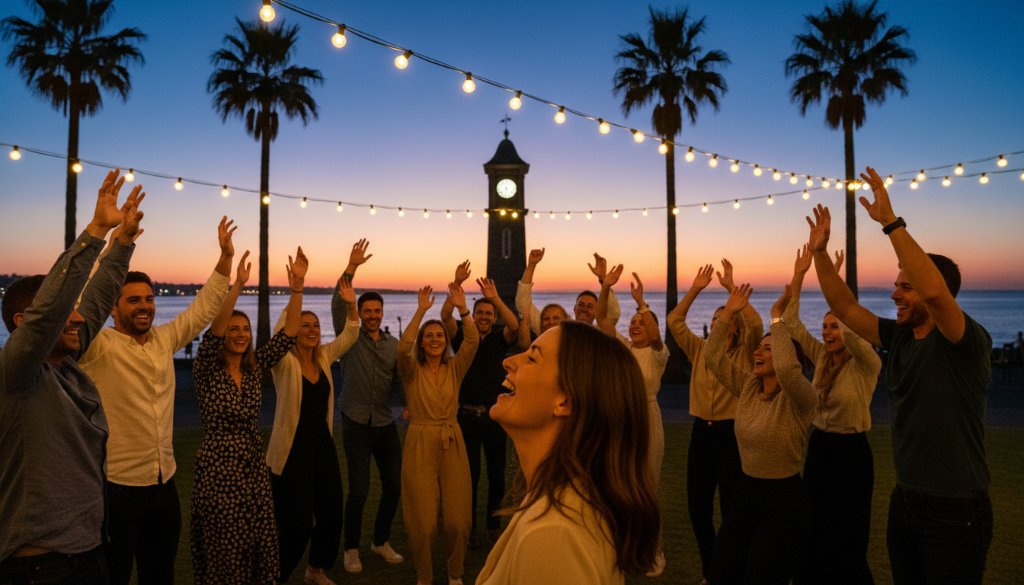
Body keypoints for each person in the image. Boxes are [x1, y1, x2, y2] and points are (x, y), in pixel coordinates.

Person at [806, 166, 993, 585]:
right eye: (897, 285)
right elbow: (846, 309)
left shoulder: (964, 341)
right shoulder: (900, 337)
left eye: (905, 286)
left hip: (956, 510)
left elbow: (935, 294)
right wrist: (819, 254)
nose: (894, 293)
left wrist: (891, 223)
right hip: (905, 501)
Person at [78, 216, 236, 585]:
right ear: (112, 307)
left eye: (149, 299)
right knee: (113, 575)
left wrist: (226, 258)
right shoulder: (97, 346)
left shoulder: (164, 340)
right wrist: (115, 247)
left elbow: (202, 310)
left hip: (164, 485)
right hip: (116, 489)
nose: (144, 306)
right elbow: (86, 303)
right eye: (133, 300)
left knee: (160, 574)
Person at [0, 170, 141, 582]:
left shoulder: (66, 366)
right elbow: (52, 309)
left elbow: (93, 301)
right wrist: (96, 231)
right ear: (25, 323)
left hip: (89, 551)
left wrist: (123, 243)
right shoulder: (17, 375)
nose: (77, 318)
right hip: (40, 566)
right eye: (67, 312)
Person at [476, 320, 661, 584]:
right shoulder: (565, 502)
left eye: (532, 358)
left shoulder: (553, 534)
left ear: (564, 402)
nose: (509, 362)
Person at [189, 247, 304, 584]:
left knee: (259, 540)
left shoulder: (255, 369)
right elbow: (213, 331)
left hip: (253, 467)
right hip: (219, 469)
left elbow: (289, 334)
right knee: (227, 544)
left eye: (246, 329)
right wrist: (237, 285)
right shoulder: (207, 369)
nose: (240, 334)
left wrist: (297, 289)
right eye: (234, 329)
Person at [705, 284, 816, 585]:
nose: (758, 351)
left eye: (768, 348)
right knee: (721, 573)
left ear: (785, 356)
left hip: (784, 503)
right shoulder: (748, 387)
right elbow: (712, 358)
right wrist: (728, 313)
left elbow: (788, 372)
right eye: (759, 347)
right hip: (746, 495)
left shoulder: (801, 398)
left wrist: (777, 316)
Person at [786, 245, 881, 585]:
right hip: (820, 448)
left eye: (834, 327)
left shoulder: (866, 364)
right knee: (813, 525)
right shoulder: (822, 357)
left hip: (851, 454)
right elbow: (793, 325)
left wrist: (835, 283)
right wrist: (799, 275)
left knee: (846, 531)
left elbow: (854, 331)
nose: (827, 332)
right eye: (825, 327)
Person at [666, 260, 760, 584]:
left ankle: (732, 573)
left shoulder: (747, 351)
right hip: (700, 434)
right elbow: (674, 321)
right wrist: (695, 289)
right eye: (717, 318)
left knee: (732, 509)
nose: (720, 323)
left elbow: (756, 325)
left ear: (735, 327)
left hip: (732, 435)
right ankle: (712, 571)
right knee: (698, 509)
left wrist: (733, 292)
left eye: (727, 319)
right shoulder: (700, 350)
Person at [267, 276, 362, 584]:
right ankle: (275, 576)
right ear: (294, 331)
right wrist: (297, 291)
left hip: (322, 447)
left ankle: (316, 569)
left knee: (332, 513)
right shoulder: (283, 362)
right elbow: (279, 331)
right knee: (297, 523)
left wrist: (352, 304)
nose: (311, 330)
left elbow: (350, 334)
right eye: (304, 325)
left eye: (315, 326)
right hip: (291, 451)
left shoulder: (323, 357)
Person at [329, 239, 405, 572]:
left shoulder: (393, 345)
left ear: (382, 313)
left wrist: (410, 405)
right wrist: (351, 268)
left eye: (377, 311)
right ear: (360, 313)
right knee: (359, 490)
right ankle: (351, 549)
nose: (372, 316)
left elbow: (401, 382)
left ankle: (380, 541)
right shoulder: (348, 338)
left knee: (394, 486)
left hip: (386, 423)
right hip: (356, 422)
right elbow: (337, 303)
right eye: (367, 311)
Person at [398, 283, 479, 585]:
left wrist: (463, 309)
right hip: (420, 441)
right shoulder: (411, 371)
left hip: (452, 440)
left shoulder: (455, 368)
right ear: (422, 343)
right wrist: (421, 311)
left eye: (440, 335)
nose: (434, 339)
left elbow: (472, 340)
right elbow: (402, 348)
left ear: (446, 342)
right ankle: (425, 576)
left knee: (458, 520)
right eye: (429, 336)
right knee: (424, 522)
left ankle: (455, 573)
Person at [595, 265, 669, 576]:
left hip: (647, 418)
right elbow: (602, 318)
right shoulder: (622, 348)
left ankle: (652, 551)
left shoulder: (658, 353)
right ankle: (621, 547)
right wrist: (605, 286)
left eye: (642, 323)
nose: (636, 325)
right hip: (622, 420)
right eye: (633, 322)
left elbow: (655, 333)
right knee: (618, 484)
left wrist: (641, 303)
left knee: (647, 486)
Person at [439, 263, 519, 548]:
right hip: (466, 416)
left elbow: (514, 325)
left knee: (496, 477)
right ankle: (469, 527)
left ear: (493, 317)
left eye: (488, 314)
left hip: (495, 417)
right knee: (469, 477)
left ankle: (493, 527)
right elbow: (445, 316)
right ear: (472, 315)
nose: (484, 317)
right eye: (480, 313)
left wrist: (495, 298)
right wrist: (456, 284)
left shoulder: (499, 339)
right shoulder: (461, 335)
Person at [514, 248, 620, 334]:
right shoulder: (557, 329)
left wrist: (603, 280)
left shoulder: (599, 334)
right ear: (574, 308)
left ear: (597, 312)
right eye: (581, 305)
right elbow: (523, 306)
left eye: (590, 306)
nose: (584, 309)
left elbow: (613, 315)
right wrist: (531, 265)